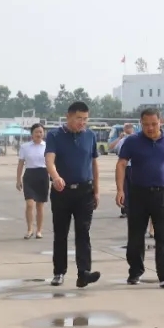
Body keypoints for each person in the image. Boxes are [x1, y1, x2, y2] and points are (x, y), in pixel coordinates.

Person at [114, 108, 164, 288]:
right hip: (138, 194)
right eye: (146, 124)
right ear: (141, 123)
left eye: (154, 124)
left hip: (163, 194)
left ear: (160, 122)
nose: (150, 128)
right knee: (136, 235)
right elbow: (121, 164)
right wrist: (120, 190)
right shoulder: (132, 141)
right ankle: (135, 272)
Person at [44, 101, 102, 288]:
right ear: (68, 116)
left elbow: (94, 164)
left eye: (85, 119)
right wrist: (56, 177)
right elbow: (49, 160)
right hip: (62, 191)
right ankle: (59, 272)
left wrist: (96, 190)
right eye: (78, 118)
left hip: (85, 192)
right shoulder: (54, 135)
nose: (82, 123)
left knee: (83, 232)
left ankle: (84, 273)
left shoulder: (90, 135)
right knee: (61, 233)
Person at [16, 123, 49, 239]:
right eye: (36, 132)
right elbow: (20, 164)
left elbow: (52, 163)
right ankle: (30, 229)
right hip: (29, 176)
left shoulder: (47, 146)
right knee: (30, 204)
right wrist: (18, 179)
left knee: (40, 205)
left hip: (43, 175)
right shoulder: (25, 147)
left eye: (41, 132)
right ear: (32, 134)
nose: (39, 134)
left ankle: (39, 230)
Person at [110, 122, 136, 218]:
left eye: (129, 127)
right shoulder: (122, 140)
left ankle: (134, 210)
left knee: (134, 189)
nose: (128, 129)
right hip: (124, 167)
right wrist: (119, 138)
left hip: (134, 167)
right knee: (124, 189)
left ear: (132, 129)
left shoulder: (137, 139)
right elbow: (111, 147)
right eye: (126, 127)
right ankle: (125, 210)